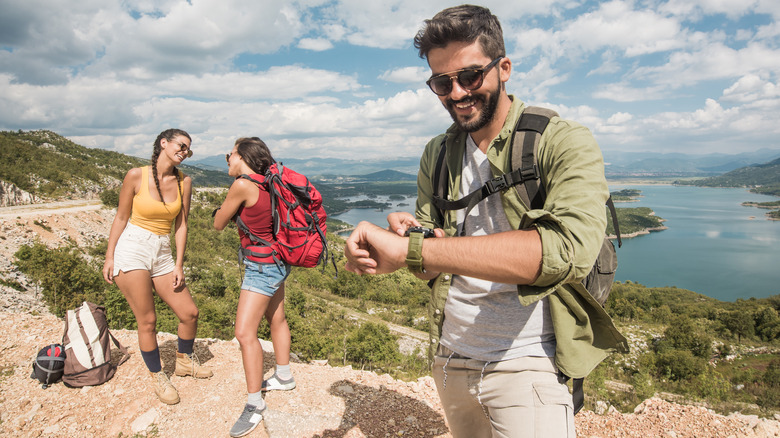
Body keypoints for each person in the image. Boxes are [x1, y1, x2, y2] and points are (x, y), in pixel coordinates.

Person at [344, 5, 628, 438]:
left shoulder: (562, 140)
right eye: (442, 82)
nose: (457, 92)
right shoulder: (437, 154)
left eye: (470, 75)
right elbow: (429, 266)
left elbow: (563, 252)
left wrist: (417, 249)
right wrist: (397, 252)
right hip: (451, 356)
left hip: (531, 360)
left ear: (504, 68)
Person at [103, 129, 212, 405]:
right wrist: (109, 256)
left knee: (189, 313)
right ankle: (157, 376)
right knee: (148, 320)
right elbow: (121, 216)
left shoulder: (184, 182)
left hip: (162, 252)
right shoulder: (135, 176)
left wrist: (178, 264)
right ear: (163, 143)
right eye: (181, 145)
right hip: (133, 248)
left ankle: (184, 362)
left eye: (188, 149)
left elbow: (182, 225)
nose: (184, 151)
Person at [213, 137, 296, 438]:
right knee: (277, 318)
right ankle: (284, 376)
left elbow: (218, 222)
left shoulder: (243, 185)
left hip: (260, 266)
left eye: (230, 155)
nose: (228, 160)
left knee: (244, 333)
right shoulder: (271, 182)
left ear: (243, 156)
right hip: (278, 260)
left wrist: (225, 208)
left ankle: (254, 405)